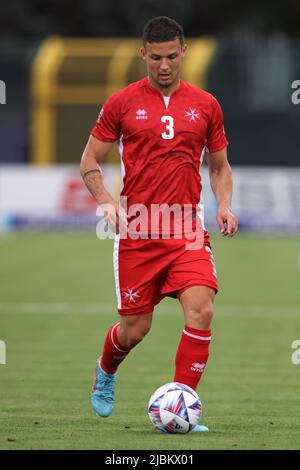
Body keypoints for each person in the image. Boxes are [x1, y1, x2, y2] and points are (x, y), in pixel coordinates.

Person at [80, 16, 238, 432]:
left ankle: (183, 407)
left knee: (201, 311)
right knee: (135, 329)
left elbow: (219, 167)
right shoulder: (121, 103)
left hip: (187, 232)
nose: (164, 65)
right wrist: (106, 202)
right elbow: (89, 161)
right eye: (155, 58)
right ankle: (106, 370)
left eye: (171, 56)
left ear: (183, 52)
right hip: (138, 234)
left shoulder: (206, 105)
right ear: (143, 55)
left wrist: (224, 205)